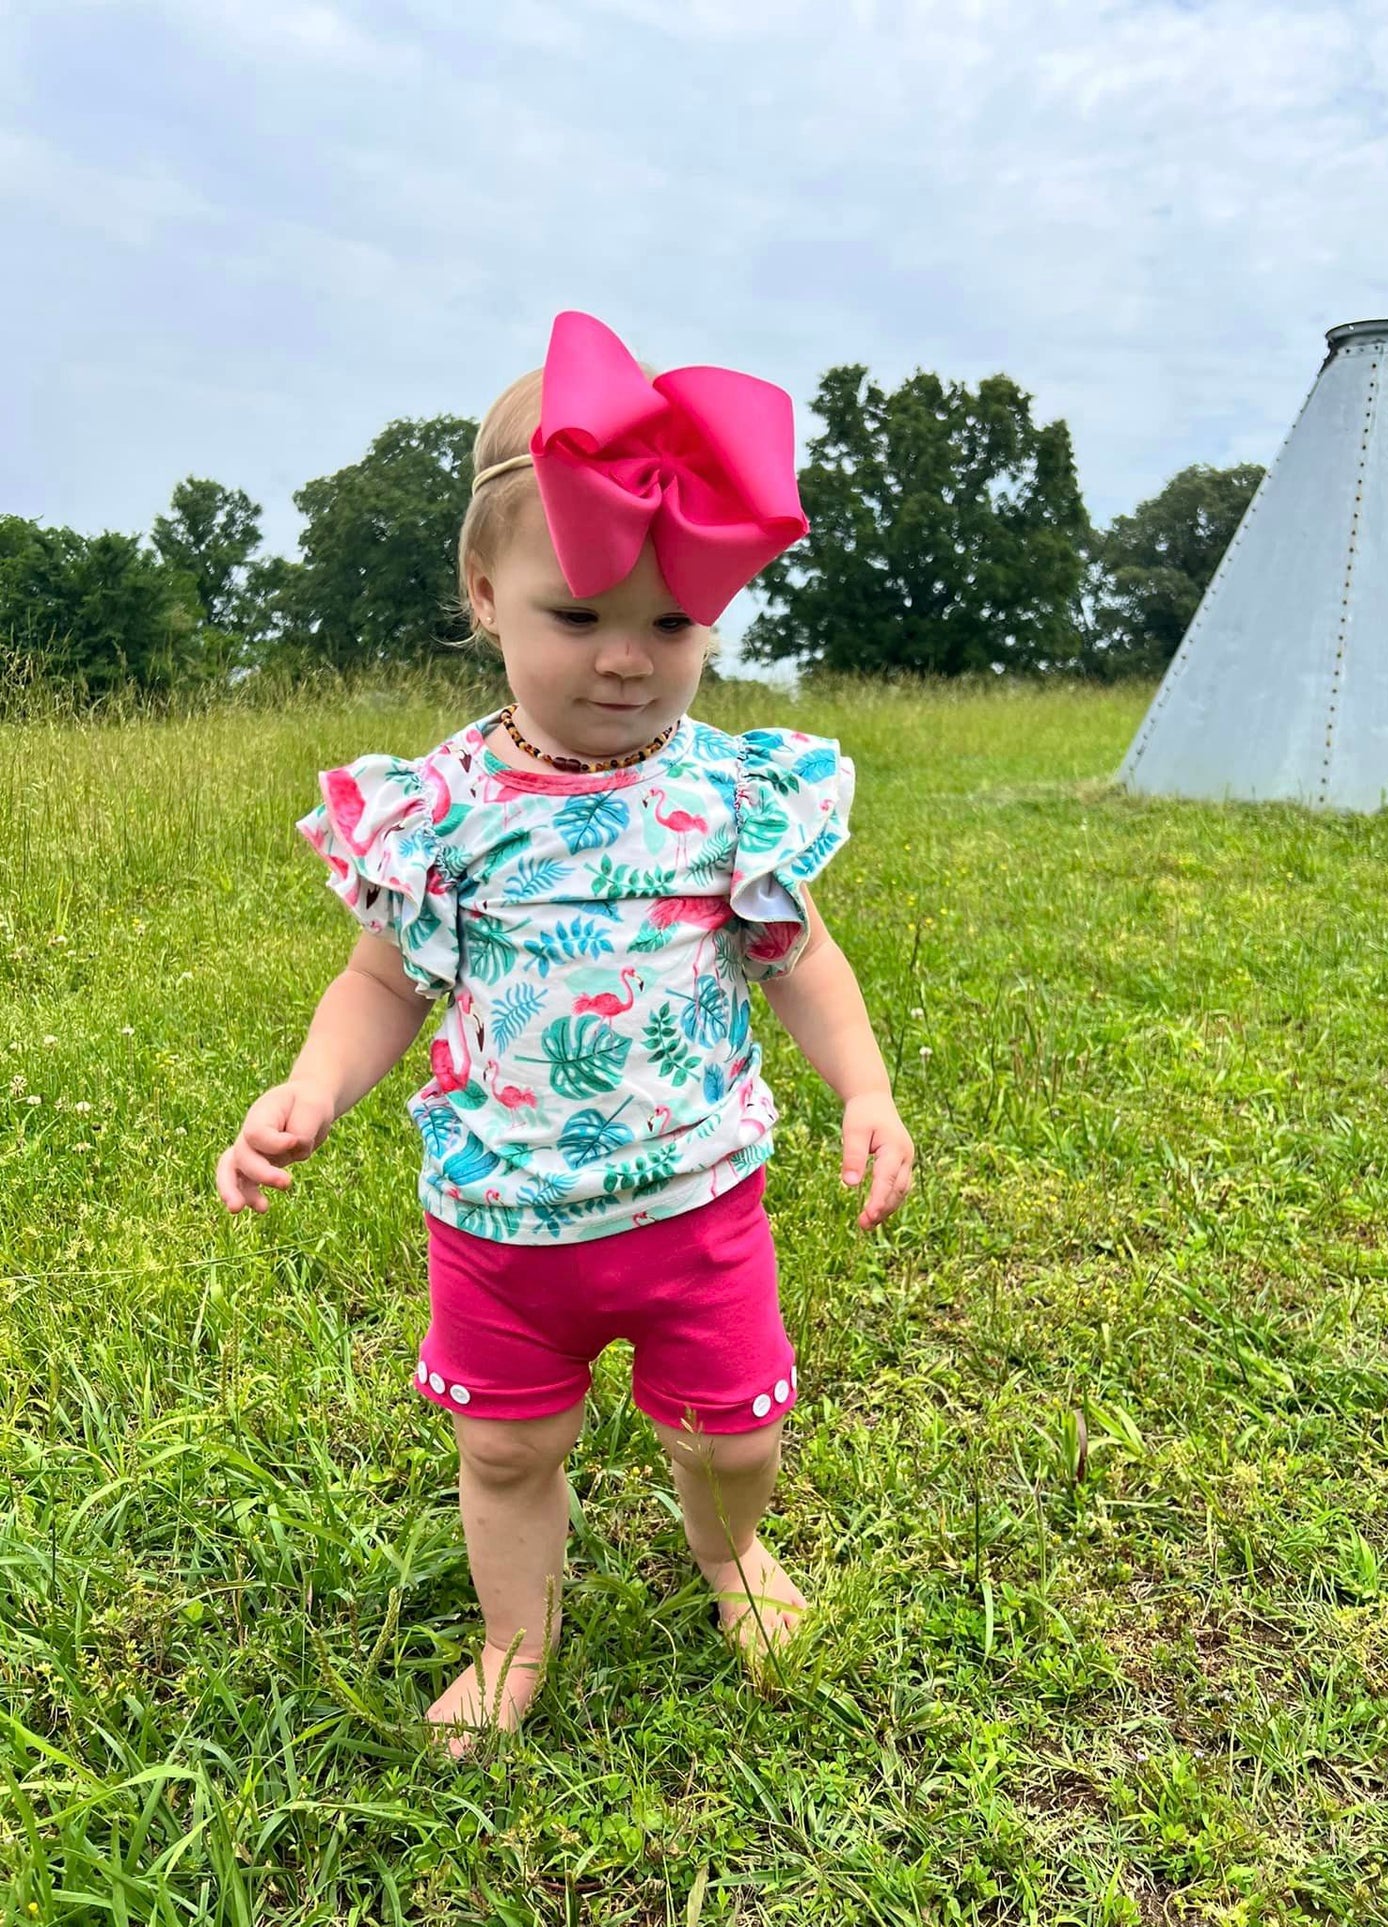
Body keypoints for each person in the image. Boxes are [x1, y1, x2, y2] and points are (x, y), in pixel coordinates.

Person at [215, 311, 914, 1749]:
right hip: (500, 1219)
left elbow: (799, 958)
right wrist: (309, 1089)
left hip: (697, 1201)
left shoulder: (731, 796)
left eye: (669, 623)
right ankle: (513, 1641)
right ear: (483, 595)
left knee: (737, 1432)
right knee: (506, 1445)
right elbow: (382, 984)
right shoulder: (440, 810)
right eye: (577, 616)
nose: (624, 661)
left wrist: (865, 1088)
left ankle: (730, 1552)